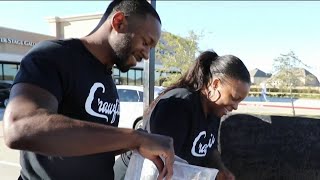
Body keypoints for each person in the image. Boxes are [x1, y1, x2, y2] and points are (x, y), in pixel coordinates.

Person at [3, 0, 175, 180]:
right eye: (146, 42)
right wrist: (134, 138)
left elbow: (91, 144)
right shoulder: (54, 55)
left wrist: (136, 143)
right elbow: (20, 127)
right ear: (118, 22)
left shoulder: (107, 77)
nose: (147, 54)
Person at [145, 51, 251, 180]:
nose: (235, 106)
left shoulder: (214, 110)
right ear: (215, 84)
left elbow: (208, 148)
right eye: (234, 98)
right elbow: (160, 164)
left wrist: (221, 170)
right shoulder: (179, 104)